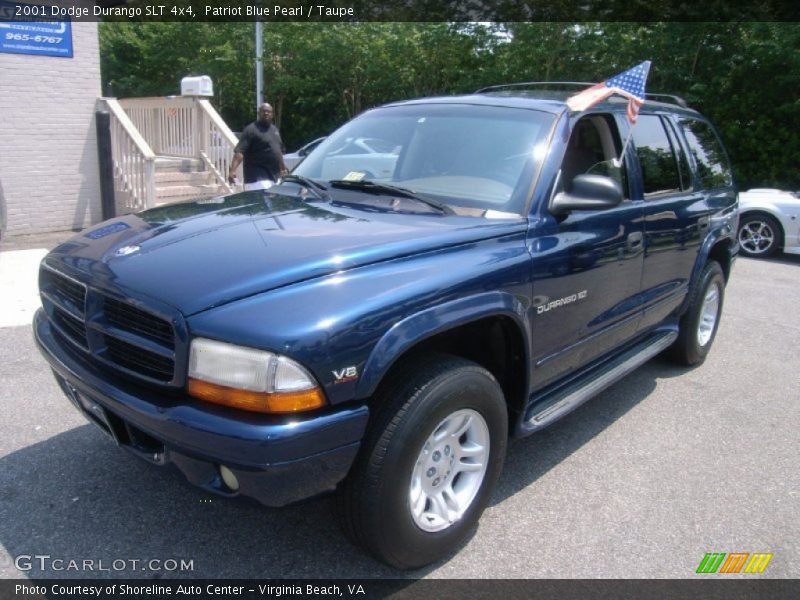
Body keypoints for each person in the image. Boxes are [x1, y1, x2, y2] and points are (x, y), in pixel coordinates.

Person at [228, 103, 288, 190]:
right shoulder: (251, 130)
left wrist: (283, 168)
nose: (266, 113)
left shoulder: (275, 130)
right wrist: (233, 170)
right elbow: (240, 151)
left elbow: (278, 151)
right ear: (258, 113)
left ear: (272, 114)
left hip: (274, 176)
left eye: (269, 111)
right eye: (263, 111)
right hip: (257, 177)